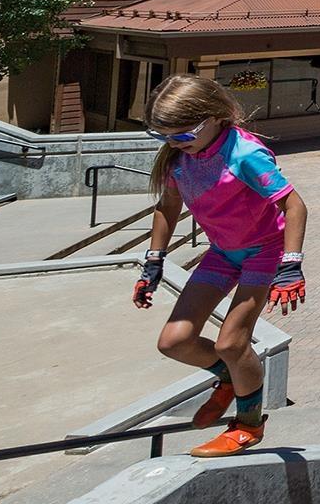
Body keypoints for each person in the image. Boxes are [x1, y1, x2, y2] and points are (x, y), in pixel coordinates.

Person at [132, 76, 309, 458]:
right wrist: (153, 261)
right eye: (163, 137)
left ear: (215, 117)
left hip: (263, 252)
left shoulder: (245, 155)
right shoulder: (180, 158)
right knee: (174, 341)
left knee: (232, 342)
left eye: (182, 135)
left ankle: (248, 424)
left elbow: (295, 206)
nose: (175, 144)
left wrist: (291, 265)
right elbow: (167, 207)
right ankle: (230, 378)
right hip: (223, 253)